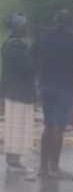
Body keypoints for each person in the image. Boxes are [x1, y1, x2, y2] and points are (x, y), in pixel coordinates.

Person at [30, 10, 73, 177]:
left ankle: (43, 167)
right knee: (58, 125)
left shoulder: (45, 37)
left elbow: (30, 54)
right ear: (70, 24)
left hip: (45, 85)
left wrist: (38, 70)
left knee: (48, 125)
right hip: (64, 86)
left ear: (55, 22)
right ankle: (54, 166)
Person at [1, 14, 36, 171]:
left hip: (14, 91)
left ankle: (13, 160)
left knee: (15, 126)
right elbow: (27, 68)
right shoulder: (16, 47)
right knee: (17, 127)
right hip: (19, 92)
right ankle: (14, 161)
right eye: (25, 27)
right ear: (18, 29)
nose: (27, 29)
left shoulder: (10, 45)